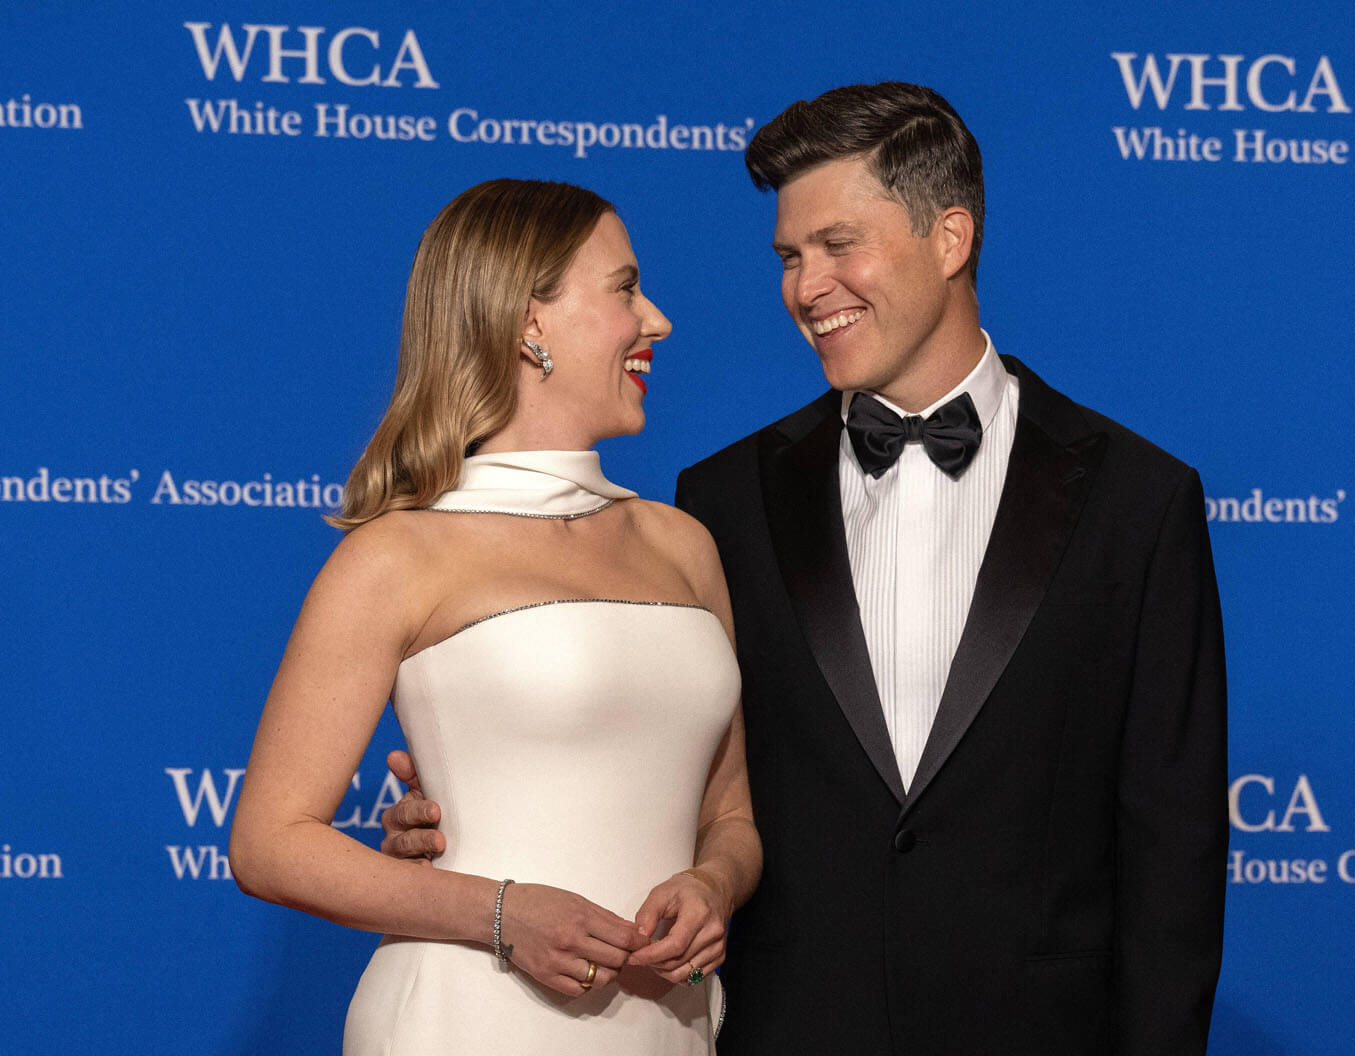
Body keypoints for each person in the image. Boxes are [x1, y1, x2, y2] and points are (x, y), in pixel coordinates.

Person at [385, 83, 1227, 1055]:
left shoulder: (1137, 501)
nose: (806, 287)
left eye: (838, 245)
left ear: (950, 239)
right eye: (791, 256)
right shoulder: (723, 500)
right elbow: (678, 768)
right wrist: (476, 810)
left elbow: (1174, 848)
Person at [229, 178, 760, 1055]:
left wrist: (715, 885)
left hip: (669, 1026)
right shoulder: (398, 555)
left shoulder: (682, 545)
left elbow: (730, 816)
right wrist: (505, 914)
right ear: (526, 321)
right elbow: (269, 843)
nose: (657, 320)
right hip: (464, 1020)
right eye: (625, 289)